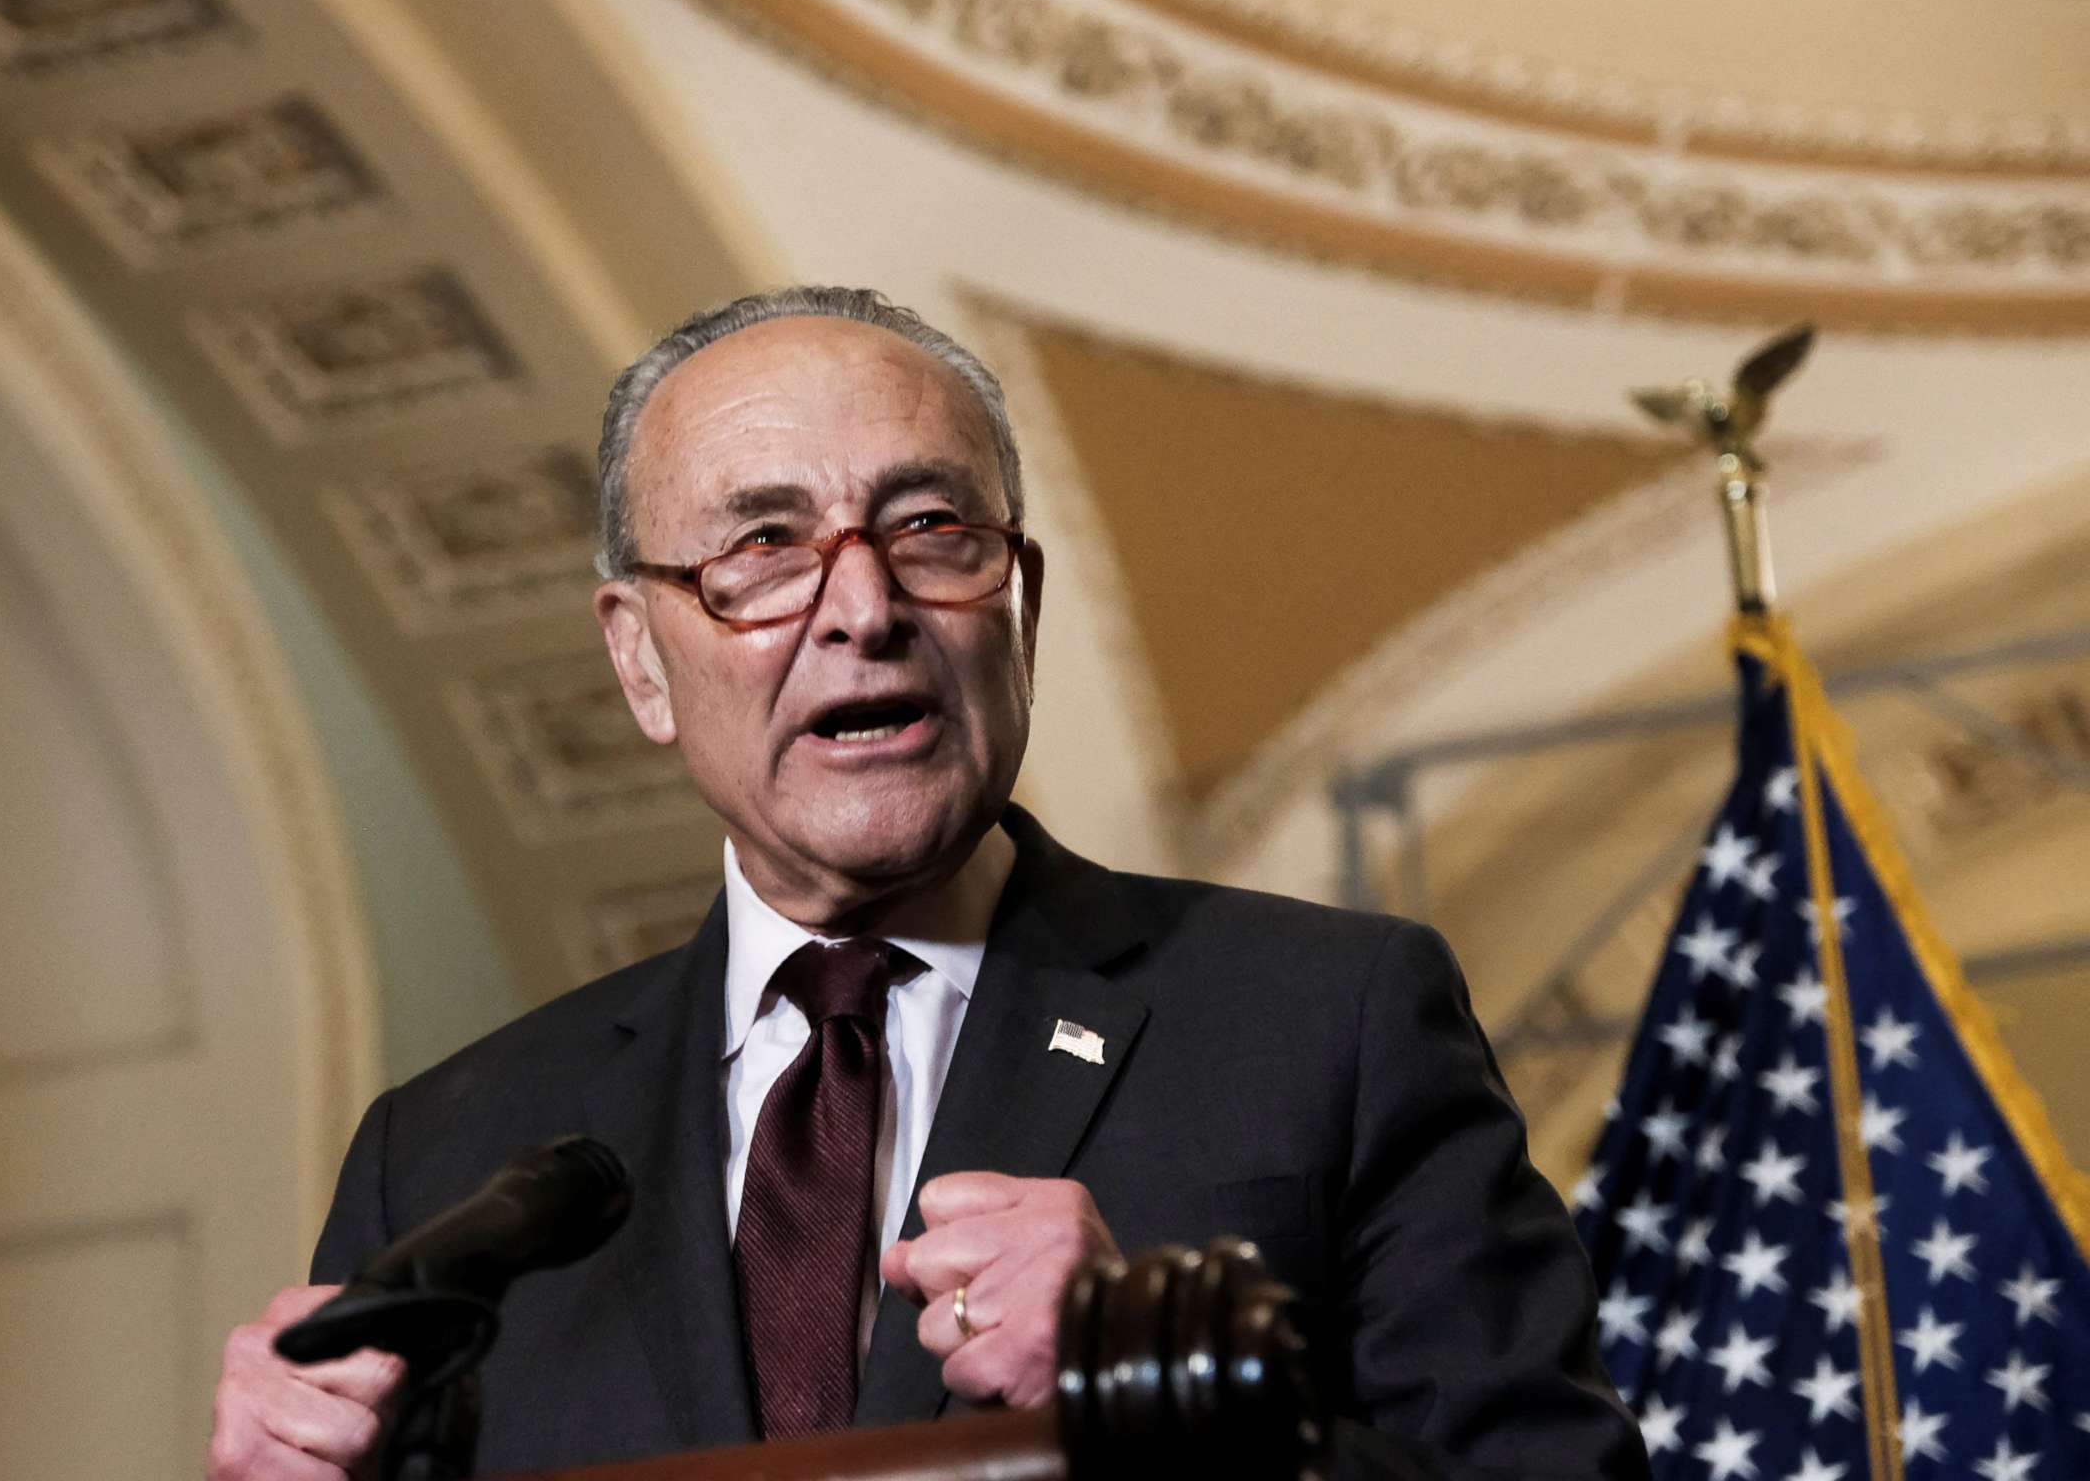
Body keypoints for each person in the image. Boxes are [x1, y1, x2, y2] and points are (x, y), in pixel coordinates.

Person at [207, 287, 1646, 1480]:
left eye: (930, 531)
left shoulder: (1324, 1023)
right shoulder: (456, 1157)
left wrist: (1171, 1392)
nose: (864, 608)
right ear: (640, 660)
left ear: (1018, 607)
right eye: (764, 549)